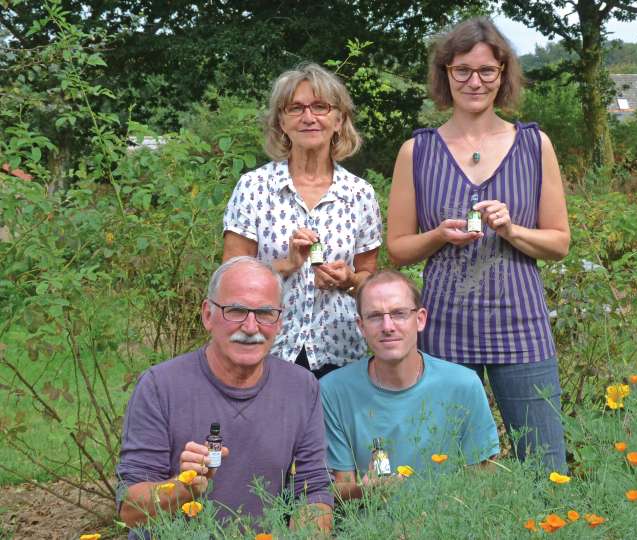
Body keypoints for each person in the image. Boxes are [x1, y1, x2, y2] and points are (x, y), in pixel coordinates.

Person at [386, 18, 570, 472]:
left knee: (544, 464)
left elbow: (560, 242)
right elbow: (398, 249)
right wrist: (437, 236)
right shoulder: (418, 151)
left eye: (487, 71)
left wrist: (513, 231)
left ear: (503, 74)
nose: (475, 81)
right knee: (438, 464)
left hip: (521, 327)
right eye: (462, 70)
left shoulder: (533, 145)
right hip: (444, 328)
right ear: (445, 74)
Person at [116, 256, 333, 532]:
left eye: (265, 313)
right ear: (208, 315)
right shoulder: (160, 386)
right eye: (236, 311)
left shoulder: (301, 387)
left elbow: (312, 492)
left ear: (280, 321)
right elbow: (130, 511)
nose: (251, 327)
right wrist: (184, 487)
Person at [222, 62, 382, 378]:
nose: (309, 117)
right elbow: (230, 278)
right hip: (267, 348)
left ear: (339, 119)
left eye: (320, 107)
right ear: (281, 121)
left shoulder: (359, 193)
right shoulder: (255, 187)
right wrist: (287, 265)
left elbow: (368, 278)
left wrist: (349, 279)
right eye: (296, 108)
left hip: (339, 353)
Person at [320, 270, 499, 499]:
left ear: (420, 319)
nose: (387, 326)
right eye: (375, 316)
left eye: (399, 313)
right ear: (361, 326)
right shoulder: (333, 391)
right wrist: (364, 492)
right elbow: (340, 487)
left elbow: (482, 483)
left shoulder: (464, 385)